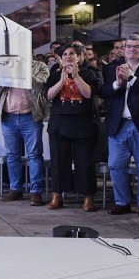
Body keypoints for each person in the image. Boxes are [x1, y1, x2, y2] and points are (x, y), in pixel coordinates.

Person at [99, 34, 139, 217]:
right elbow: (103, 92)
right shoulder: (114, 66)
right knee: (115, 165)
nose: (131, 50)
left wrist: (131, 78)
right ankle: (122, 202)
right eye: (128, 46)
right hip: (118, 124)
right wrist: (117, 83)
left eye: (136, 46)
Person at [44, 44, 101, 210]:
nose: (68, 56)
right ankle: (57, 195)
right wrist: (61, 81)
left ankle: (88, 196)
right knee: (59, 161)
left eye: (72, 54)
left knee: (85, 162)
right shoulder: (55, 75)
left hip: (83, 124)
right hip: (59, 124)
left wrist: (75, 77)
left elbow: (88, 94)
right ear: (60, 59)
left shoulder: (89, 73)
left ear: (79, 57)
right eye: (65, 54)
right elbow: (48, 96)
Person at [0, 58, 50, 206]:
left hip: (30, 117)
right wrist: (6, 72)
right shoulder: (5, 65)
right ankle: (15, 189)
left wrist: (23, 70)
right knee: (12, 155)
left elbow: (39, 86)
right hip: (8, 117)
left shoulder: (40, 66)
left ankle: (36, 192)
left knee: (34, 155)